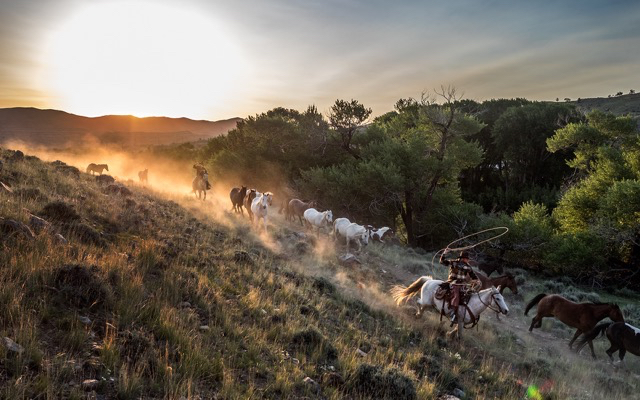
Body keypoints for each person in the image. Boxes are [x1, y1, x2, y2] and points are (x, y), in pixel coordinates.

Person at [440, 250, 479, 324]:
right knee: (456, 294)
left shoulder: (468, 267)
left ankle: (465, 312)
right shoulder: (454, 262)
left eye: (467, 259)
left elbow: (473, 275)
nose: (467, 260)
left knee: (469, 294)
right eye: (466, 258)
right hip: (453, 282)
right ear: (462, 258)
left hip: (463, 284)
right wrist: (444, 253)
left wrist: (476, 280)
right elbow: (442, 261)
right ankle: (453, 313)